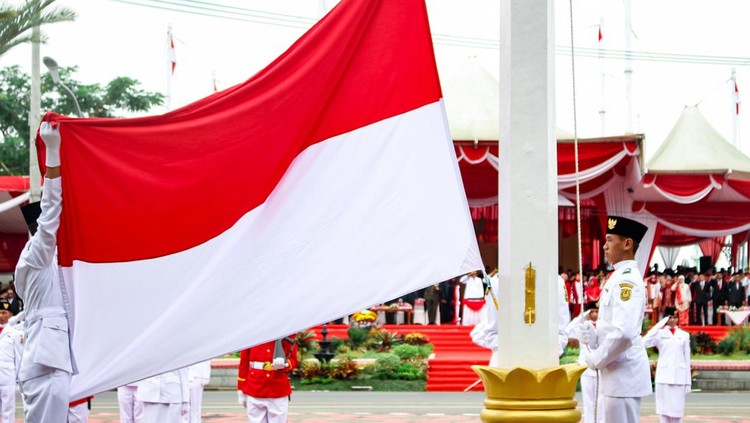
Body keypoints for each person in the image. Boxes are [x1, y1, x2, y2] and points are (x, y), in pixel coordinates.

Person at [15, 121, 76, 423]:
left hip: (44, 359)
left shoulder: (34, 261)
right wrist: (54, 151)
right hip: (48, 361)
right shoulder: (38, 254)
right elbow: (52, 208)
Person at [580, 215, 652, 423]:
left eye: (610, 240)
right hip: (616, 375)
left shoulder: (627, 280)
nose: (604, 246)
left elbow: (624, 333)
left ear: (627, 244)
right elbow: (613, 328)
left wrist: (598, 358)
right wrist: (594, 337)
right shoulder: (619, 276)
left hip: (623, 376)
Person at [642, 307, 691, 423]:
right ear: (665, 319)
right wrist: (659, 325)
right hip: (664, 376)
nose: (673, 320)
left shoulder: (684, 335)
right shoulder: (660, 334)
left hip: (679, 376)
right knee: (664, 412)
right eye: (670, 318)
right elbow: (644, 342)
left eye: (675, 317)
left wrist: (688, 382)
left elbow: (687, 359)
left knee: (677, 412)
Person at [237, 336, 298, 423]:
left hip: (278, 386)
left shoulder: (287, 334)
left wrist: (286, 364)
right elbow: (244, 362)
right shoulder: (251, 335)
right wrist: (241, 388)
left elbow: (294, 359)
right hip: (255, 386)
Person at [567, 306, 604, 423]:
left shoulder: (603, 326)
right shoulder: (582, 326)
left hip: (600, 366)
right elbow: (568, 329)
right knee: (588, 401)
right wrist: (582, 315)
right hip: (586, 367)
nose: (594, 313)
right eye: (592, 311)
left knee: (601, 400)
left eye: (597, 311)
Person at [0, 318, 23, 422]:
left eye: (4, 312)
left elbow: (19, 356)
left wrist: (19, 378)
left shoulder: (15, 333)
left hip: (7, 376)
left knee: (8, 409)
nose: (1, 315)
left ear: (10, 314)